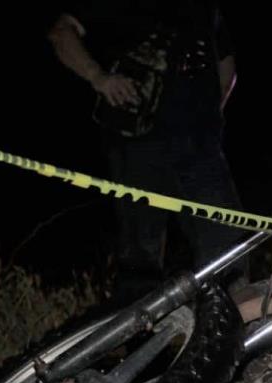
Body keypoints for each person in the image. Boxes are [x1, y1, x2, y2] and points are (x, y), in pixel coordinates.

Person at [47, 0, 243, 302]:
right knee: (140, 262)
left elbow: (226, 66)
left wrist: (210, 115)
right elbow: (62, 33)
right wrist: (99, 77)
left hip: (199, 150)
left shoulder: (206, 7)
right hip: (139, 145)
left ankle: (230, 334)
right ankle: (135, 342)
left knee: (228, 249)